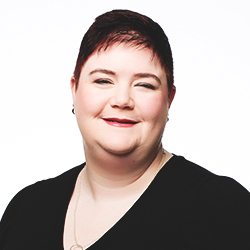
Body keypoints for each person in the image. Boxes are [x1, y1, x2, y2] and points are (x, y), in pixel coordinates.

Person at [0, 9, 250, 250]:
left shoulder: (221, 208)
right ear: (74, 89)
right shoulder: (27, 209)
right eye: (103, 80)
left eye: (144, 85)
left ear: (169, 99)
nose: (122, 100)